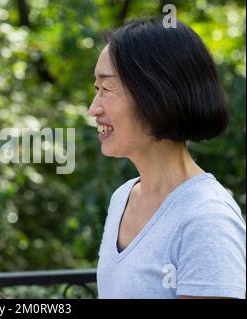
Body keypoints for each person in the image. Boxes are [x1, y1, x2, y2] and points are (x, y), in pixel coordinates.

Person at [88, 17, 246, 299]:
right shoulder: (123, 197)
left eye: (107, 89)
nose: (93, 109)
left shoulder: (206, 217)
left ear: (156, 94)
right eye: (95, 90)